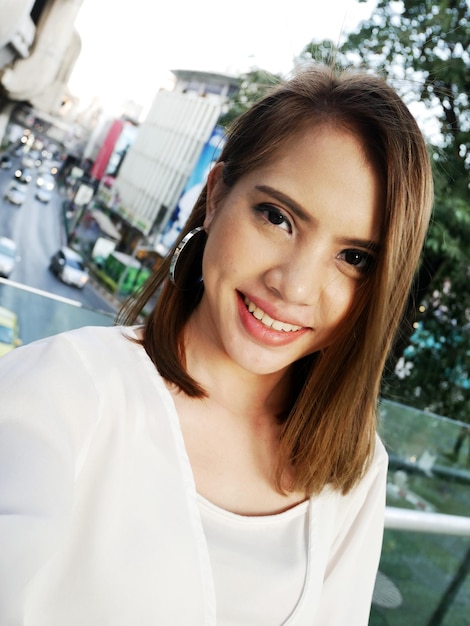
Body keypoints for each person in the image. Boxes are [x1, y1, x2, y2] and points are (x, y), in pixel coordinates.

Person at [0, 62, 433, 625]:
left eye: (354, 258)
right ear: (217, 194)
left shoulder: (352, 464)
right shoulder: (65, 390)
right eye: (277, 218)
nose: (294, 285)